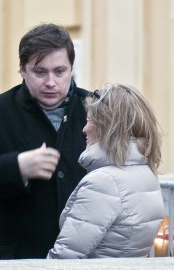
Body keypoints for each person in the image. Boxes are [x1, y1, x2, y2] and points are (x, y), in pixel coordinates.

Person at [0, 23, 90, 259]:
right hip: (16, 264)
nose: (50, 82)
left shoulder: (99, 111)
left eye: (59, 71)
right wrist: (16, 168)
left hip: (88, 262)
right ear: (22, 70)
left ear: (71, 69)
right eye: (40, 72)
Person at [47, 84, 165, 259]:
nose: (84, 129)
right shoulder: (146, 173)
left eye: (89, 120)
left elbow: (66, 256)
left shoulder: (103, 182)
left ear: (107, 127)